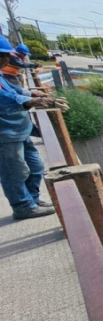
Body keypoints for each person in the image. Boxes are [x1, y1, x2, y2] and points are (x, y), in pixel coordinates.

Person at [0, 35, 59, 220]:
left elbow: (13, 90)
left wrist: (30, 92)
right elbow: (6, 100)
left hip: (18, 129)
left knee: (36, 166)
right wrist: (30, 101)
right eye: (3, 56)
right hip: (5, 135)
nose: (7, 60)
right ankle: (23, 206)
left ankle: (33, 200)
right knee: (15, 172)